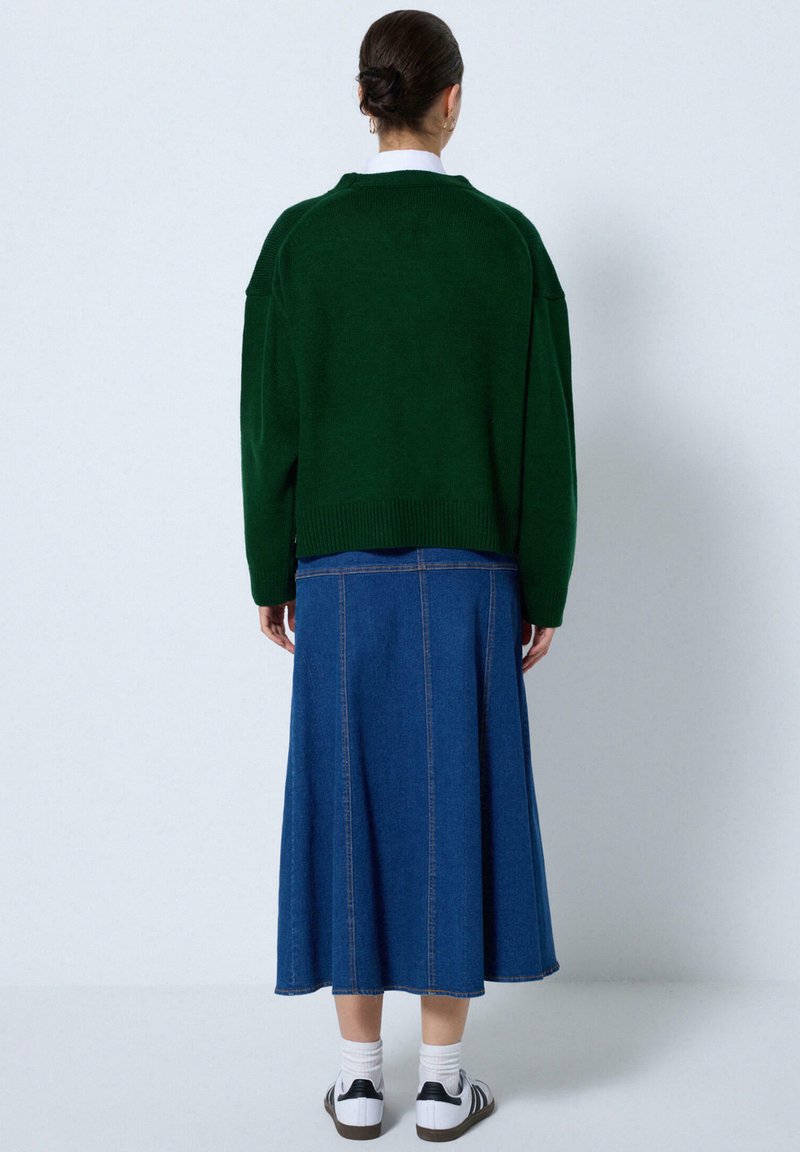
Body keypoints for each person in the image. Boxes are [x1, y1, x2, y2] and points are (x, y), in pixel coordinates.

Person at [239, 10, 577, 1141]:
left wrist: (269, 566)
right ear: (451, 99)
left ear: (364, 98)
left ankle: (355, 1077)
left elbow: (268, 425)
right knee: (448, 808)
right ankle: (440, 1081)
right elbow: (543, 433)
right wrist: (543, 584)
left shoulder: (298, 243)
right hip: (474, 574)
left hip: (335, 575)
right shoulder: (506, 242)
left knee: (349, 809)